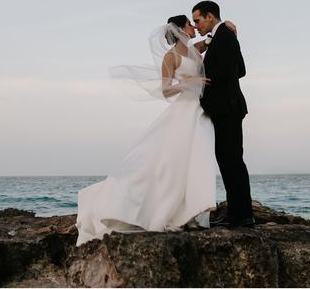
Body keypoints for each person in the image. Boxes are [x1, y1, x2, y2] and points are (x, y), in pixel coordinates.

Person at [75, 15, 237, 246]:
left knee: (194, 160)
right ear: (181, 29)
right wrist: (189, 81)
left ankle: (191, 209)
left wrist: (229, 26)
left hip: (199, 112)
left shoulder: (195, 49)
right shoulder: (170, 57)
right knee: (171, 161)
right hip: (183, 111)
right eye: (190, 24)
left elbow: (216, 36)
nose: (194, 27)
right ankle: (155, 207)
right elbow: (165, 90)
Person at [191, 0, 254, 228]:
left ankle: (243, 216)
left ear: (210, 16)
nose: (196, 25)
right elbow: (242, 70)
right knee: (228, 160)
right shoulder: (223, 36)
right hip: (227, 107)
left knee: (232, 161)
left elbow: (228, 72)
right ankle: (237, 213)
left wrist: (203, 79)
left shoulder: (224, 36)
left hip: (227, 107)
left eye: (197, 20)